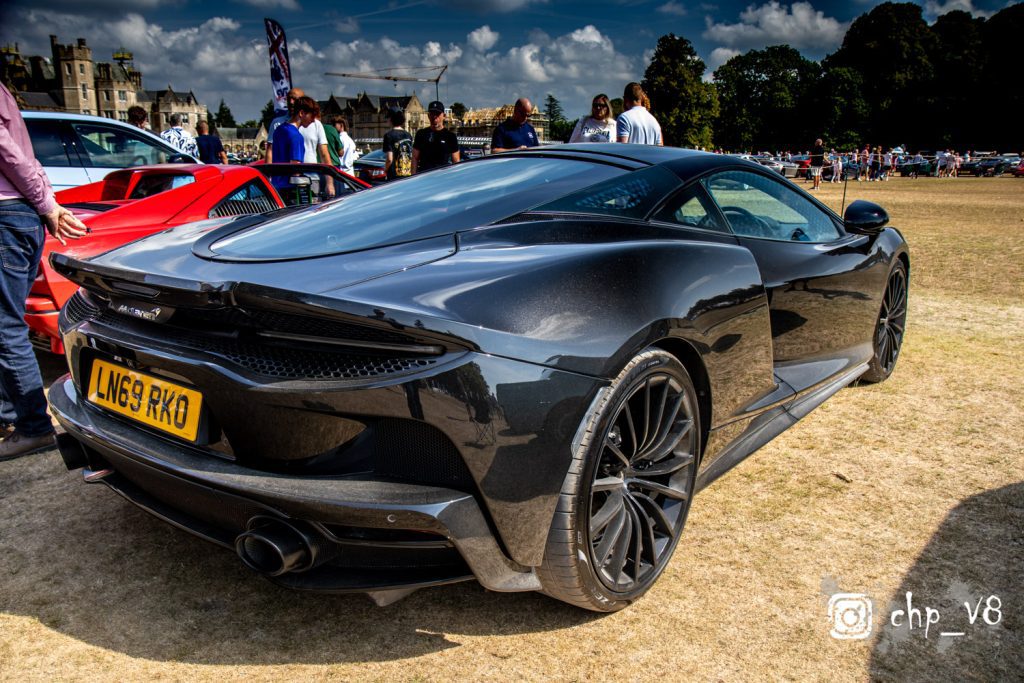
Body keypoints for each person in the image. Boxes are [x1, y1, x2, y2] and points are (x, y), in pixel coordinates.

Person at [0, 83, 88, 460]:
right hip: (16, 211)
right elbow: (23, 155)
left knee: (4, 325)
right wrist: (46, 202)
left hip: (7, 213)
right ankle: (12, 415)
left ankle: (34, 426)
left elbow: (10, 153)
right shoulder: (5, 93)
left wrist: (47, 204)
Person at [413, 100, 460, 173]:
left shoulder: (450, 136)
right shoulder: (421, 134)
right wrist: (413, 176)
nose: (434, 117)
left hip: (442, 176)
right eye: (432, 114)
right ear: (428, 116)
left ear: (444, 116)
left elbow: (456, 161)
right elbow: (415, 158)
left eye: (437, 114)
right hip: (424, 175)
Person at [265, 87, 304, 163]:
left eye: (294, 99)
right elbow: (270, 149)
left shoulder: (313, 124)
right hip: (286, 169)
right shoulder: (277, 123)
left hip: (310, 169)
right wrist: (268, 169)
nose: (291, 102)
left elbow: (323, 152)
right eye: (289, 99)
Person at [382, 108, 413, 181]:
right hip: (407, 173)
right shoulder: (408, 135)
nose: (387, 120)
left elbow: (389, 159)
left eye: (388, 118)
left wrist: (385, 170)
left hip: (394, 176)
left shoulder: (388, 135)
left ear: (391, 119)